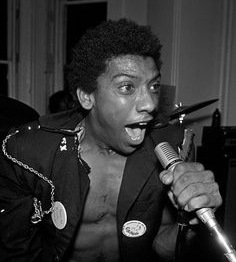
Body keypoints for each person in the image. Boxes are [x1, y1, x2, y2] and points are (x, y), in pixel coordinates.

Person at [0, 18, 222, 262]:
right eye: (127, 87)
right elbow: (16, 251)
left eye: (154, 86)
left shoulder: (173, 147)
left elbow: (163, 246)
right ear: (87, 96)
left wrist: (192, 222)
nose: (150, 103)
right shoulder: (27, 151)